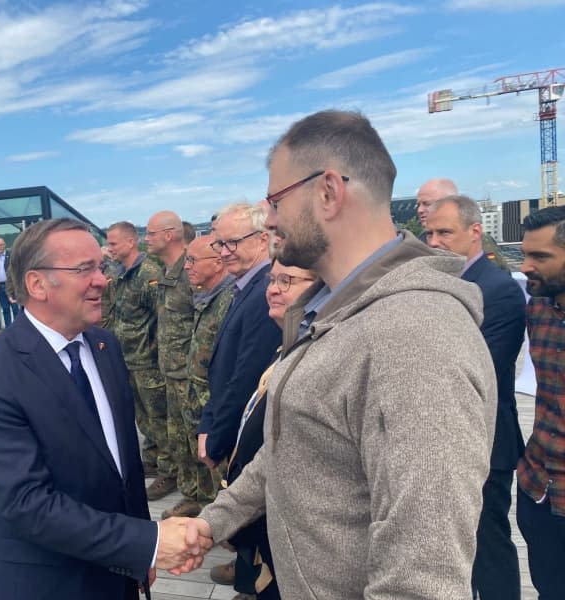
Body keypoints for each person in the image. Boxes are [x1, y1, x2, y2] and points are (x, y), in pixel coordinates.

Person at [178, 110, 497, 599]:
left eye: (275, 201)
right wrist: (214, 521)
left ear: (328, 191)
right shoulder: (331, 309)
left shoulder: (415, 335)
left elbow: (423, 576)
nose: (271, 221)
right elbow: (295, 447)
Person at [0, 218, 212, 600]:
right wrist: (147, 542)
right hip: (47, 582)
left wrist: (138, 557)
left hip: (117, 571)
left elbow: (124, 468)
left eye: (100, 266)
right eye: (84, 269)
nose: (102, 280)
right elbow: (27, 504)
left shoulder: (105, 347)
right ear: (37, 284)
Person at [426, 195, 526, 600]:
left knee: (488, 548)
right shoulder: (436, 283)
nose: (434, 242)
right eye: (429, 232)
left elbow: (474, 371)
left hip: (484, 444)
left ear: (475, 232)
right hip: (442, 439)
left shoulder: (498, 290)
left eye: (444, 232)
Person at [223, 259, 316, 600]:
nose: (273, 289)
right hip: (266, 524)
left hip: (299, 545)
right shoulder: (290, 347)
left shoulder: (318, 356)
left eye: (287, 280)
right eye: (272, 279)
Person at [198, 203, 281, 469]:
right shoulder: (247, 287)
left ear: (263, 240)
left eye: (232, 243)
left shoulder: (265, 293)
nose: (223, 252)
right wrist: (207, 423)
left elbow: (247, 377)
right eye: (219, 244)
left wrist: (217, 439)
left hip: (244, 441)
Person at [164, 235, 235, 521]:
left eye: (192, 261)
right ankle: (207, 507)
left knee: (225, 471)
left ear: (217, 263)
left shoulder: (229, 299)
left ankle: (229, 531)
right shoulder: (209, 295)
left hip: (216, 404)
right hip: (199, 398)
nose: (187, 267)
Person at [517, 205, 565, 599]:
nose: (526, 266)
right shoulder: (538, 307)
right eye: (525, 253)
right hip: (538, 487)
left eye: (541, 257)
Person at [104, 221, 168, 481]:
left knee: (159, 418)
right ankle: (152, 460)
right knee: (143, 417)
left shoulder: (149, 273)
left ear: (131, 242)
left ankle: (169, 471)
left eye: (113, 243)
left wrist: (152, 353)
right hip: (127, 358)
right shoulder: (121, 273)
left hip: (148, 362)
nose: (109, 249)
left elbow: (161, 319)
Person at [144, 210, 193, 502]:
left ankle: (208, 498)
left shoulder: (191, 272)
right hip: (169, 369)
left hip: (190, 374)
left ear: (169, 235)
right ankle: (190, 490)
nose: (145, 239)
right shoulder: (164, 272)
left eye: (150, 234)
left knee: (195, 437)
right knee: (178, 436)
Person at [0, 237, 18, 327]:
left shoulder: (12, 255)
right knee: (5, 309)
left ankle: (17, 327)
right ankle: (8, 328)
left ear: (4, 245)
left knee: (15, 308)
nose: (0, 247)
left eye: (1, 244)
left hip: (11, 286)